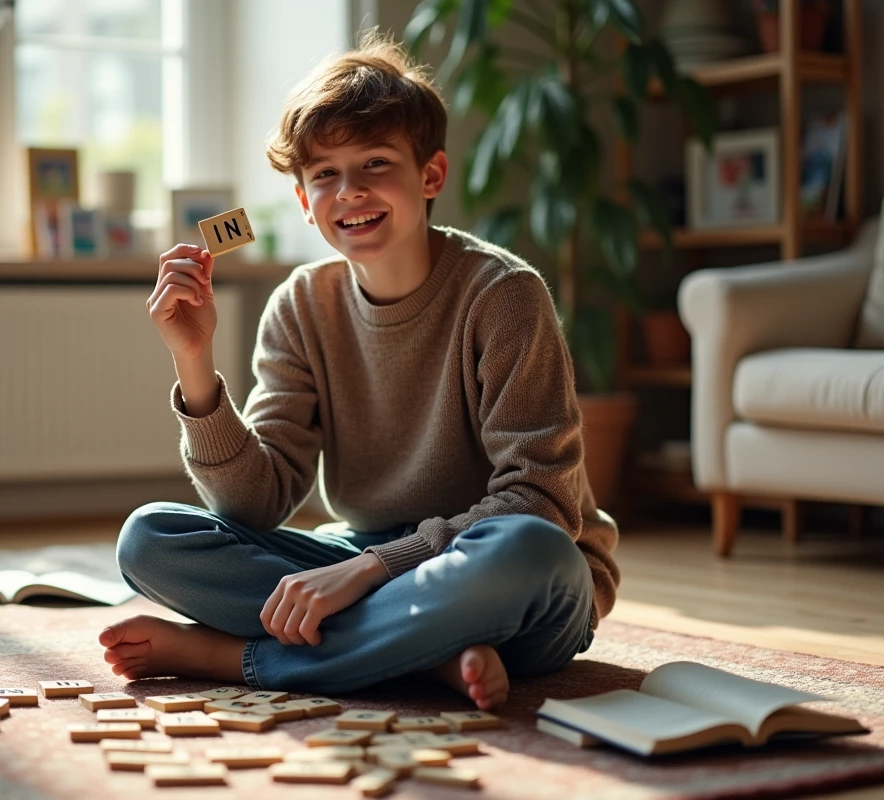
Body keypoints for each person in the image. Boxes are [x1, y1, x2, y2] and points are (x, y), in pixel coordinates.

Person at [98, 32, 619, 711]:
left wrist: (371, 570)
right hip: (369, 558)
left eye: (375, 164)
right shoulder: (299, 306)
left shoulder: (504, 295)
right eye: (325, 175)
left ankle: (235, 657)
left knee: (533, 549)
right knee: (150, 538)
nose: (350, 193)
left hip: (499, 574)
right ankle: (422, 655)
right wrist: (191, 358)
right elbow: (254, 505)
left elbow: (541, 502)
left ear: (429, 176)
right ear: (304, 198)